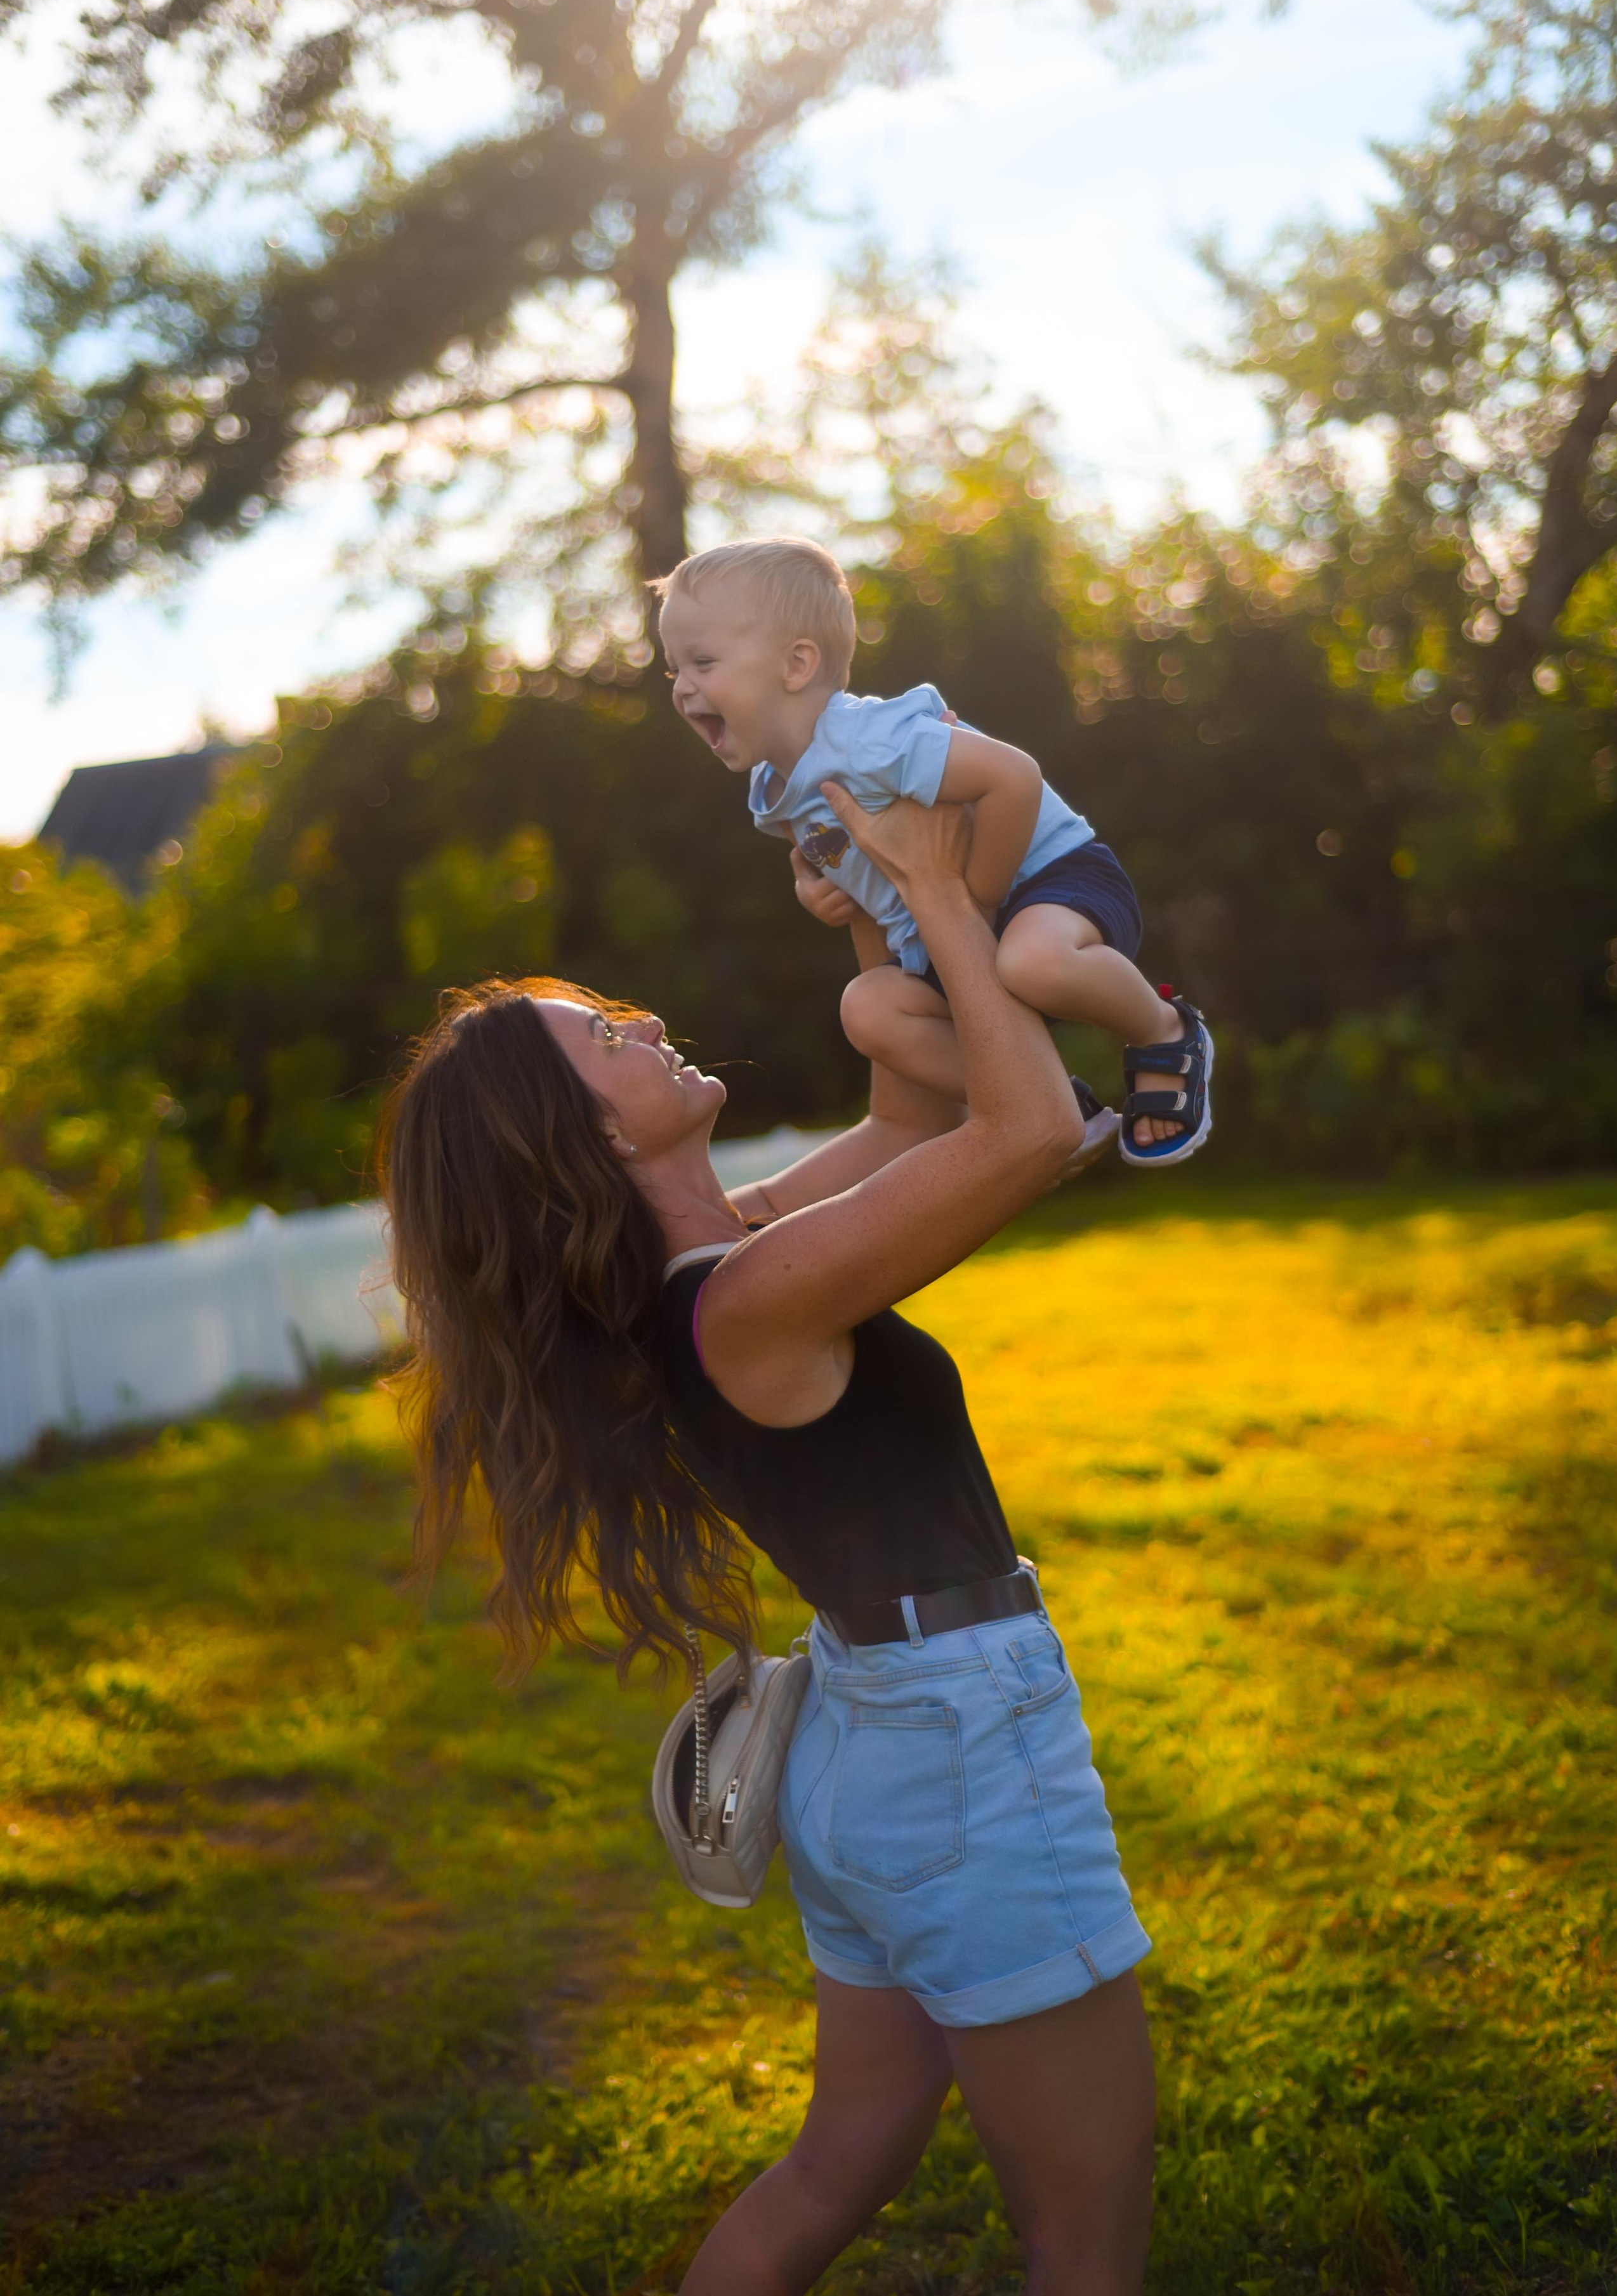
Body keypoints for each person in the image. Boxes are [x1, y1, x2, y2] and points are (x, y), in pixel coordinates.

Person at [381, 785, 1158, 2295]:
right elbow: (1027, 1128)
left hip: (875, 1741)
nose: (639, 1021)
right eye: (601, 1037)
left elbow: (910, 1119)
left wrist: (878, 923)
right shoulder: (742, 1300)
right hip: (953, 1749)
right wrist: (939, 884)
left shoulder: (719, 1257)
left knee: (834, 2162)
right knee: (1084, 2236)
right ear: (585, 1130)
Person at [657, 532, 1213, 1167]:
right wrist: (817, 889)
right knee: (867, 1011)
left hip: (1046, 880)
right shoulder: (772, 789)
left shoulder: (871, 739)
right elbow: (844, 862)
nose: (681, 688)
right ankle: (1052, 1099)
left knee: (1032, 961)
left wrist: (975, 898)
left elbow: (1014, 777)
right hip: (944, 940)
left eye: (702, 664)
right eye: (674, 669)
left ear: (796, 665)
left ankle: (1164, 1033)